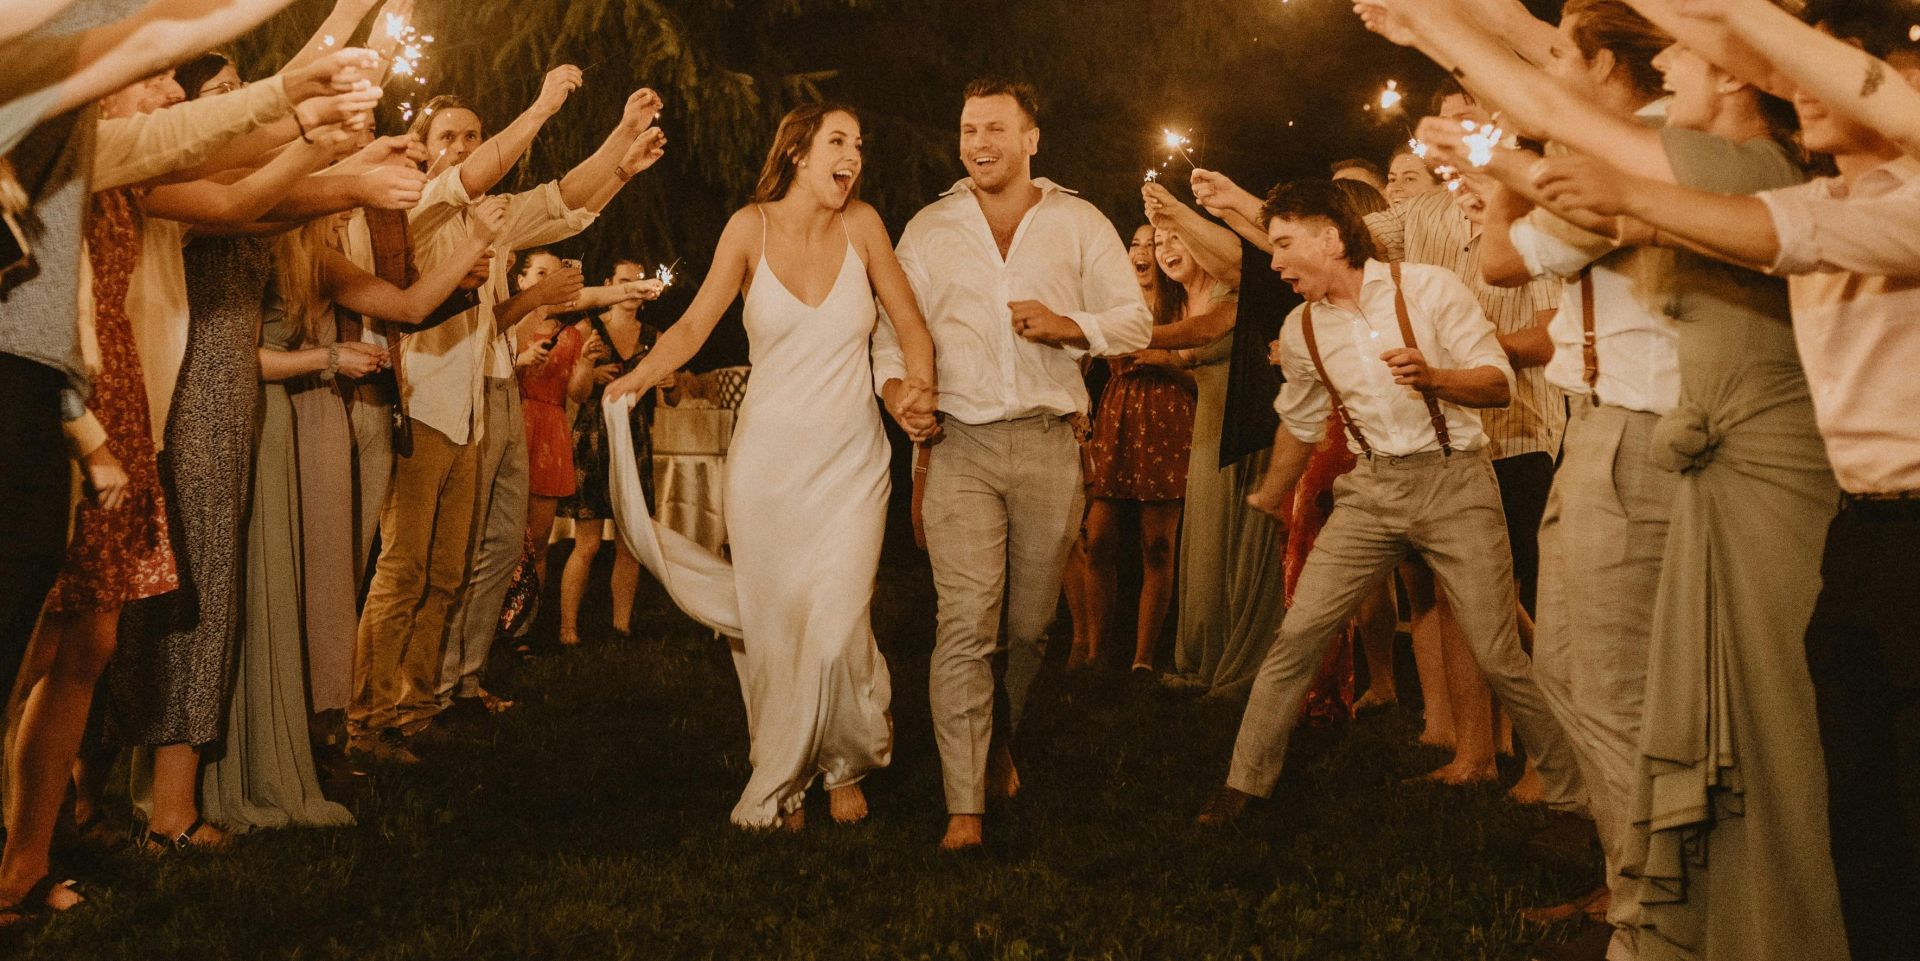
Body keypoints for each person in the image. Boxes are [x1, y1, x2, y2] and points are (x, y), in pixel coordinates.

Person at [1372, 1, 1848, 958]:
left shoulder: (1709, 155)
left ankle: (1659, 920)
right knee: (1631, 694)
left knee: (1642, 698)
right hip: (1647, 438)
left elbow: (1525, 216)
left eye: (1689, 53)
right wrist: (1490, 125)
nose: (1670, 62)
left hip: (1679, 445)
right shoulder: (1683, 155)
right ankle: (1653, 903)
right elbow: (1547, 146)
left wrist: (1440, 36)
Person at [1525, 4, 1920, 957]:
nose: (1798, 88)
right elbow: (1755, 227)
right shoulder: (1831, 196)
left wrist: (1626, 188)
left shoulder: (1877, 195)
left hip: (1876, 524)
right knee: (1863, 816)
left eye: (1821, 69)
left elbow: (1752, 218)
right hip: (1861, 533)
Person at [1194, 179, 1582, 832]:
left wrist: (1435, 377)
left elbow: (1496, 382)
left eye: (1284, 244)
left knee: (1496, 650)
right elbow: (1300, 419)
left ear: (1330, 238)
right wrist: (1273, 490)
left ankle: (1573, 790)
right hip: (1371, 491)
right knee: (1297, 635)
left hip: (1454, 482)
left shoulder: (1429, 290)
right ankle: (1242, 784)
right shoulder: (1303, 328)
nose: (1276, 261)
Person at [605, 102, 937, 831]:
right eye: (838, 141)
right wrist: (639, 375)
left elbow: (911, 324)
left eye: (859, 143)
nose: (853, 156)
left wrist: (920, 387)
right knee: (774, 623)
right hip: (768, 465)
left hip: (852, 462)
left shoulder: (864, 226)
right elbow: (694, 325)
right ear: (798, 154)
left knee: (838, 620)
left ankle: (844, 759)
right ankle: (785, 768)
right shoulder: (747, 229)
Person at [869, 78, 1153, 850]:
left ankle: (997, 738)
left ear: (1031, 139)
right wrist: (897, 392)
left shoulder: (1079, 221)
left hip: (1047, 441)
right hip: (959, 444)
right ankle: (964, 805)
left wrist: (1070, 325)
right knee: (965, 622)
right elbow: (891, 331)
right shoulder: (929, 228)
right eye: (968, 129)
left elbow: (1134, 321)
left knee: (1029, 629)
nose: (978, 142)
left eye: (994, 128)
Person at [1077, 225, 1196, 675]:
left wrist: (1166, 362)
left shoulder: (1182, 304)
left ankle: (1143, 659)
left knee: (1158, 546)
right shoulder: (1112, 302)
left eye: (1154, 244)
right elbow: (1080, 357)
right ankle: (1096, 653)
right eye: (1136, 244)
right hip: (1119, 414)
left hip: (1167, 417)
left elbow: (1203, 378)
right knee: (1098, 540)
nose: (1144, 251)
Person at [556, 258, 668, 647]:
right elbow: (576, 394)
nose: (633, 289)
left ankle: (621, 628)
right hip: (594, 438)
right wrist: (588, 367)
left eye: (639, 281)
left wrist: (668, 384)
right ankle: (568, 629)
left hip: (634, 440)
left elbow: (668, 399)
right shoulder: (589, 329)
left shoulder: (654, 337)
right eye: (625, 281)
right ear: (610, 283)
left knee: (629, 542)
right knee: (587, 543)